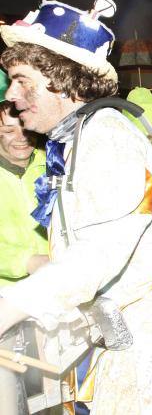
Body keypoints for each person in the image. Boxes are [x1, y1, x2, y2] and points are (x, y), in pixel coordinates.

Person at [0, 0, 152, 412]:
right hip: (119, 340)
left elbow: (98, 253)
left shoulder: (108, 138)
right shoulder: (82, 135)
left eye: (21, 80)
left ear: (59, 79)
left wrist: (9, 308)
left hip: (143, 350)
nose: (11, 95)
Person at [0, 100, 47, 414]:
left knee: (52, 391)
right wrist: (27, 261)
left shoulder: (54, 164)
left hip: (53, 296)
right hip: (6, 298)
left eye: (25, 128)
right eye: (7, 130)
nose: (20, 138)